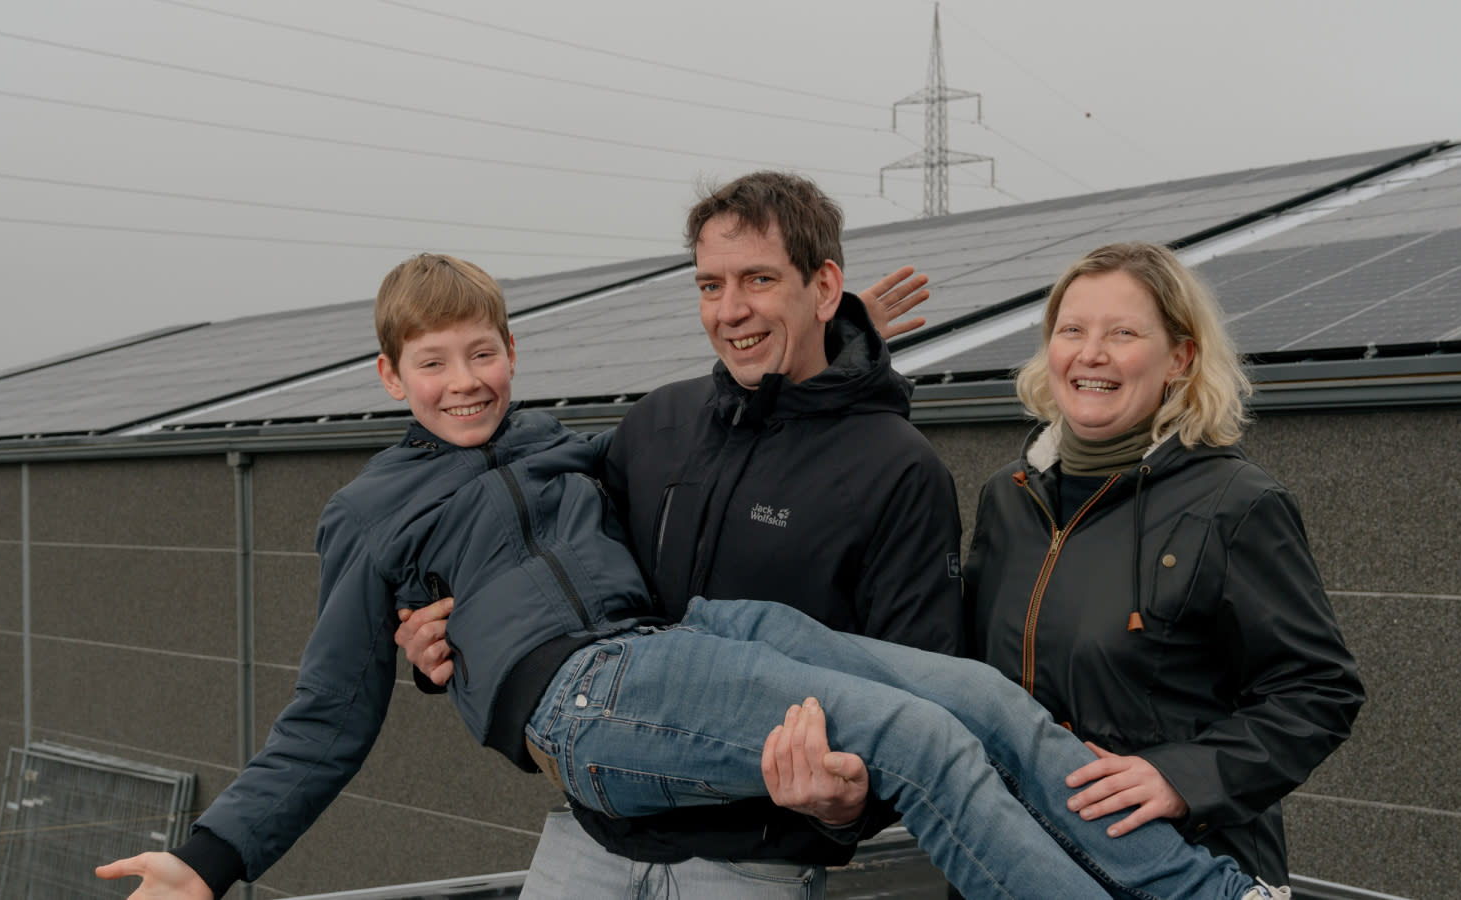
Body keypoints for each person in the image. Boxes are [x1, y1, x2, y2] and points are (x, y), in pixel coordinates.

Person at [95, 252, 1283, 900]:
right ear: (390, 374)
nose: (465, 381)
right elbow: (323, 718)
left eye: (484, 353)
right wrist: (206, 863)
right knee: (920, 740)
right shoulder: (370, 512)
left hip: (682, 643)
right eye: (433, 362)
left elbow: (737, 421)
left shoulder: (571, 452)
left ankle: (1210, 896)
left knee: (975, 700)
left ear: (515, 354)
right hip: (591, 700)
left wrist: (834, 321)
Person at [400, 170, 963, 898]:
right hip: (590, 842)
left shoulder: (898, 470)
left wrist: (847, 806)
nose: (729, 311)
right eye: (708, 286)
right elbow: (539, 558)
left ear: (823, 289)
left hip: (752, 865)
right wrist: (434, 639)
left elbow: (923, 689)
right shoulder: (655, 425)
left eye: (757, 279)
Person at [960, 241, 1366, 891]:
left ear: (1179, 357)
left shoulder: (1234, 504)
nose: (1090, 354)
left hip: (1170, 871)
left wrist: (1180, 778)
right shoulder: (1006, 498)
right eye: (1071, 330)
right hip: (1009, 864)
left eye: (1122, 333)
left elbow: (1316, 692)